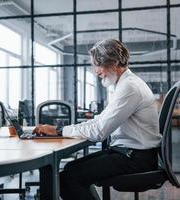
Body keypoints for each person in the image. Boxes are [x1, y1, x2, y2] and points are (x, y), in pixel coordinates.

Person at [35, 39, 162, 200]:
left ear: (114, 62)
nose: (96, 71)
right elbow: (100, 120)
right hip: (130, 153)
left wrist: (59, 131)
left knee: (69, 178)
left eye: (98, 65)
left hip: (136, 159)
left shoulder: (129, 87)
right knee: (70, 168)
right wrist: (64, 129)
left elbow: (100, 131)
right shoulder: (124, 85)